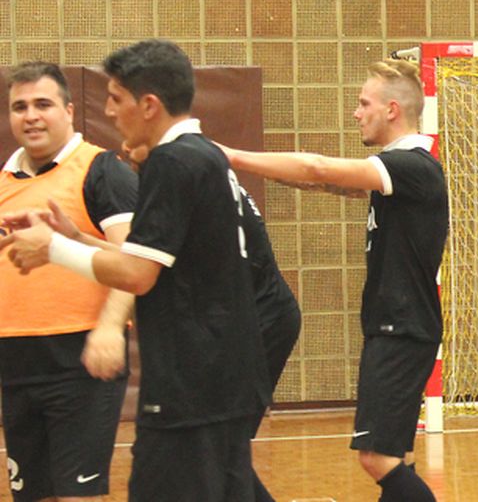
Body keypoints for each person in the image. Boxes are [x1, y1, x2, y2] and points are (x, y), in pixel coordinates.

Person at [1, 40, 269, 500]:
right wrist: (74, 238)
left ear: (148, 105)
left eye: (116, 98)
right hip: (218, 374)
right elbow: (155, 255)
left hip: (193, 376)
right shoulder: (201, 155)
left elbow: (138, 274)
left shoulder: (170, 162)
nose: (107, 110)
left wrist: (54, 250)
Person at [223, 58, 446, 501]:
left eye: (364, 103)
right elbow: (321, 183)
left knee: (376, 458)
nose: (356, 112)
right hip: (395, 326)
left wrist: (228, 156)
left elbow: (319, 168)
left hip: (402, 328)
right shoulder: (398, 171)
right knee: (390, 457)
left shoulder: (412, 166)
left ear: (392, 111)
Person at [124, 141, 304, 502]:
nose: (126, 149)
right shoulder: (200, 166)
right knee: (223, 455)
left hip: (260, 318)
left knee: (218, 451)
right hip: (256, 317)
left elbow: (143, 273)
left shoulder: (180, 170)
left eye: (132, 142)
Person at [0, 62, 138, 502]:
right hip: (16, 364)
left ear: (70, 111)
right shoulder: (3, 183)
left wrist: (110, 328)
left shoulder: (101, 171)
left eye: (43, 104)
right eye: (19, 107)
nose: (31, 116)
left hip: (79, 361)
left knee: (78, 497)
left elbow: (134, 260)